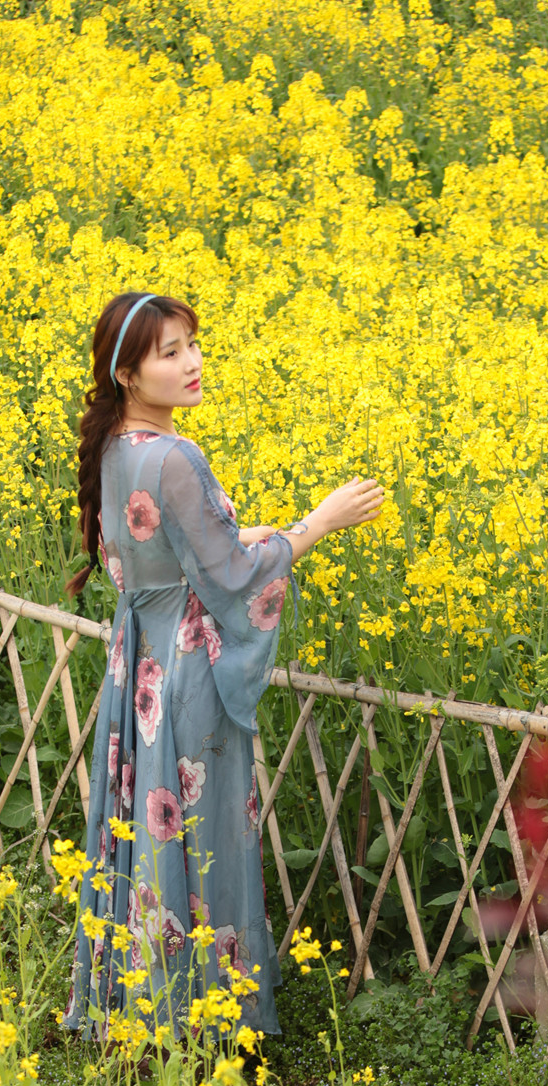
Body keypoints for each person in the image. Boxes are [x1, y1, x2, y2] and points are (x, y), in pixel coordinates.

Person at [62, 289, 383, 1045]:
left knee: (146, 830)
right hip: (186, 675)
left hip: (136, 664)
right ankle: (201, 1024)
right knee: (199, 836)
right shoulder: (175, 456)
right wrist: (318, 523)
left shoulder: (116, 449)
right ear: (128, 375)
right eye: (168, 353)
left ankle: (140, 1007)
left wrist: (243, 534)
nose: (191, 363)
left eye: (192, 345)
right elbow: (235, 581)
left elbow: (171, 555)